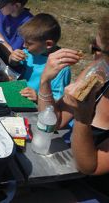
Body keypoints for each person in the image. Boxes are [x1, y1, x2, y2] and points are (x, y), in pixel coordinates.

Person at [37, 13, 109, 177]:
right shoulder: (98, 70)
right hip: (70, 169)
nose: (91, 52)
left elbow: (91, 167)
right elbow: (56, 121)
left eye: (96, 48)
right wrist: (45, 81)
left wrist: (82, 118)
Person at [8, 13, 71, 102]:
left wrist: (38, 98)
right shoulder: (29, 53)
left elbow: (59, 100)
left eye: (29, 43)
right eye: (24, 41)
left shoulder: (61, 68)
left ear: (48, 44)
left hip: (37, 108)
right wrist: (12, 59)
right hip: (18, 96)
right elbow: (14, 68)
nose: (24, 45)